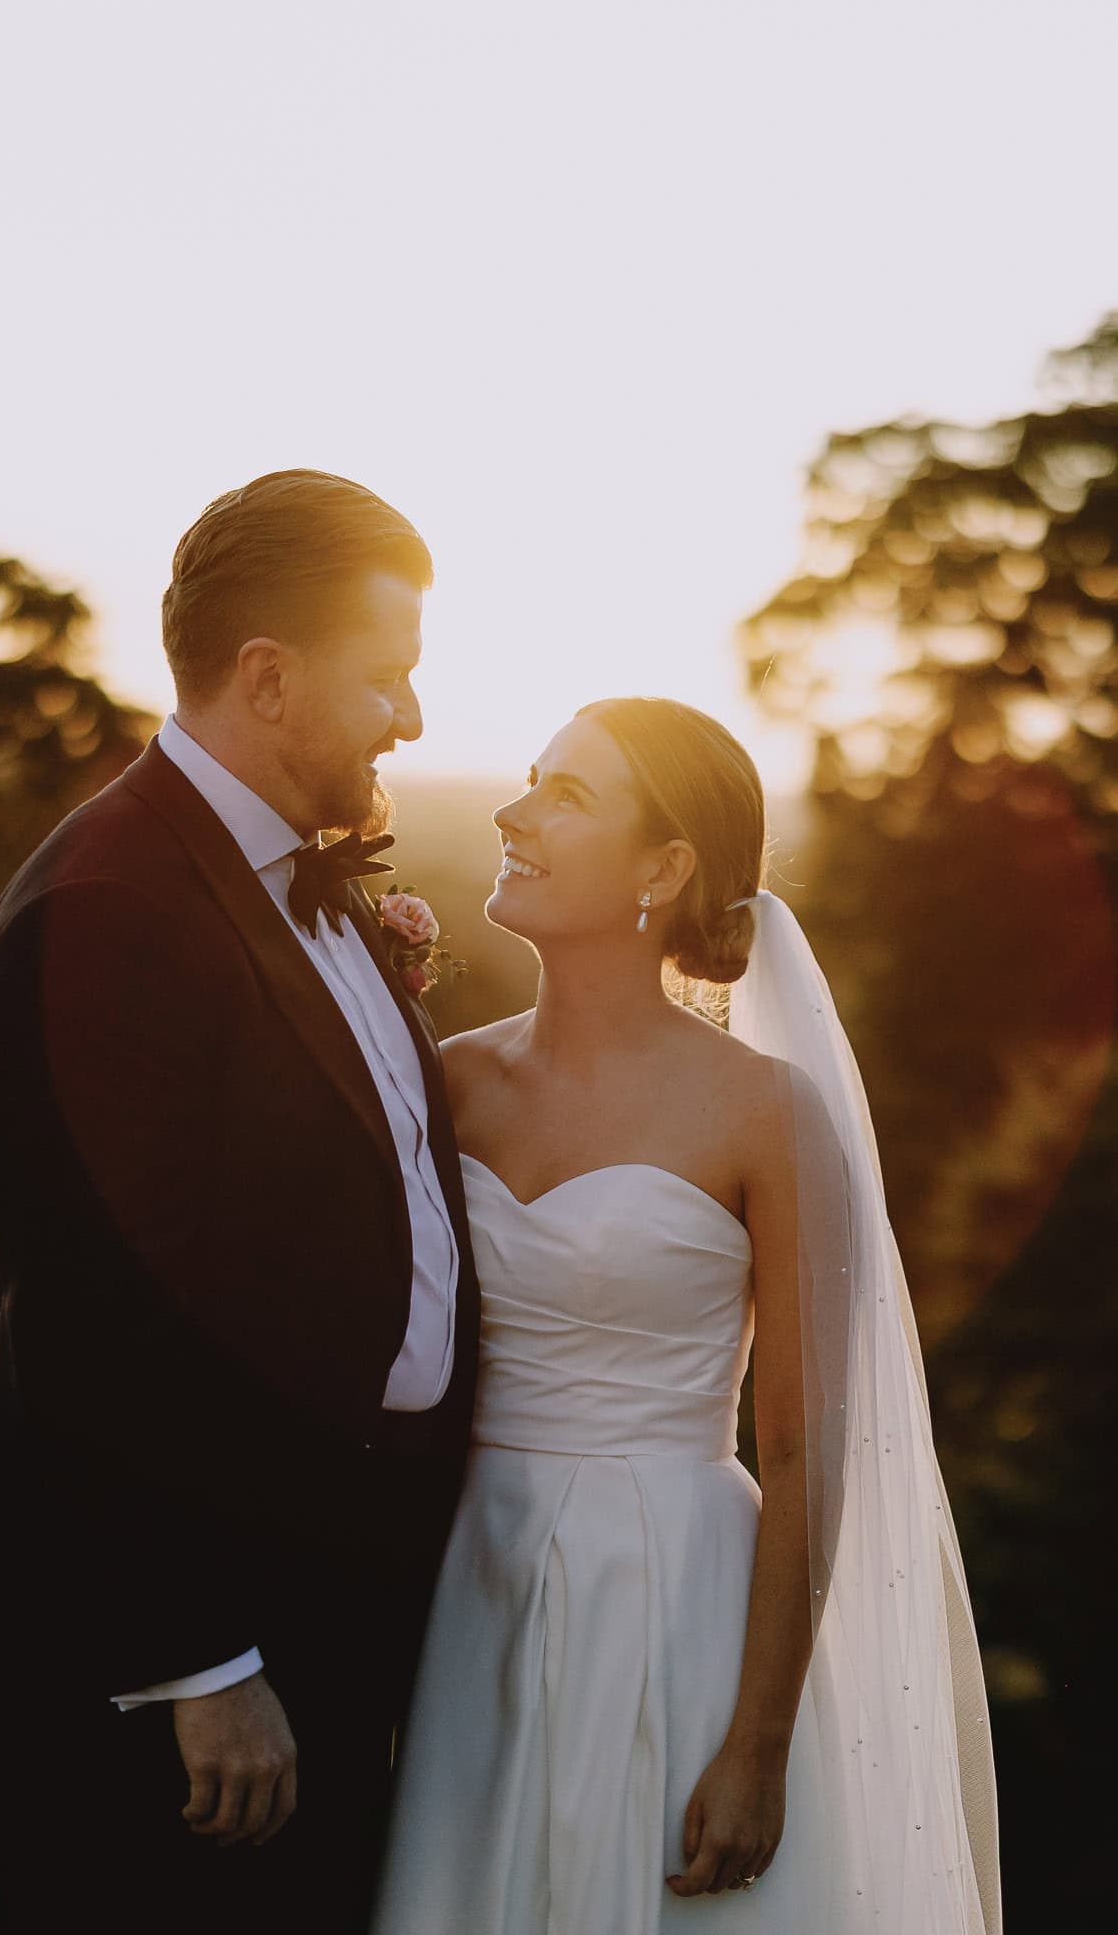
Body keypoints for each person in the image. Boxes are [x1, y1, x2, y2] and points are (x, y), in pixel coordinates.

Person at [0, 470, 481, 1929]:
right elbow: (96, 1317)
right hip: (196, 1666)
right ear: (268, 677)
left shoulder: (301, 878)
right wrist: (200, 1661)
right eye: (388, 677)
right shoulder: (106, 910)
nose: (414, 718)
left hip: (339, 1600)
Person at [373, 696, 1001, 1933]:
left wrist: (758, 1739)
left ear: (662, 869)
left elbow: (805, 1448)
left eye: (566, 795)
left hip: (673, 1593)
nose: (513, 813)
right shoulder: (451, 1078)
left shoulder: (764, 1112)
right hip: (470, 1583)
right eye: (528, 779)